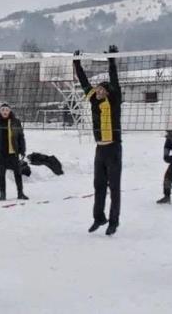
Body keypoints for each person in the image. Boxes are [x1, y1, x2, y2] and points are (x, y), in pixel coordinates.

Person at [74, 45, 122, 236]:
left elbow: (114, 80)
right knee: (99, 185)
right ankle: (99, 218)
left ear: (108, 92)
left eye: (102, 89)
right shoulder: (94, 100)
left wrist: (111, 60)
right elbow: (83, 81)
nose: (99, 91)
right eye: (98, 89)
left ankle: (114, 221)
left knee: (114, 187)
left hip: (114, 148)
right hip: (100, 149)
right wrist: (76, 63)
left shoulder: (115, 100)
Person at [0, 103, 28, 201]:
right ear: (0, 111)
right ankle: (2, 195)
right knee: (1, 174)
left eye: (7, 110)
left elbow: (21, 137)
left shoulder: (16, 122)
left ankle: (20, 193)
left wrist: (23, 149)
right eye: (3, 110)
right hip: (1, 152)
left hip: (13, 152)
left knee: (18, 172)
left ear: (10, 111)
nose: (5, 112)